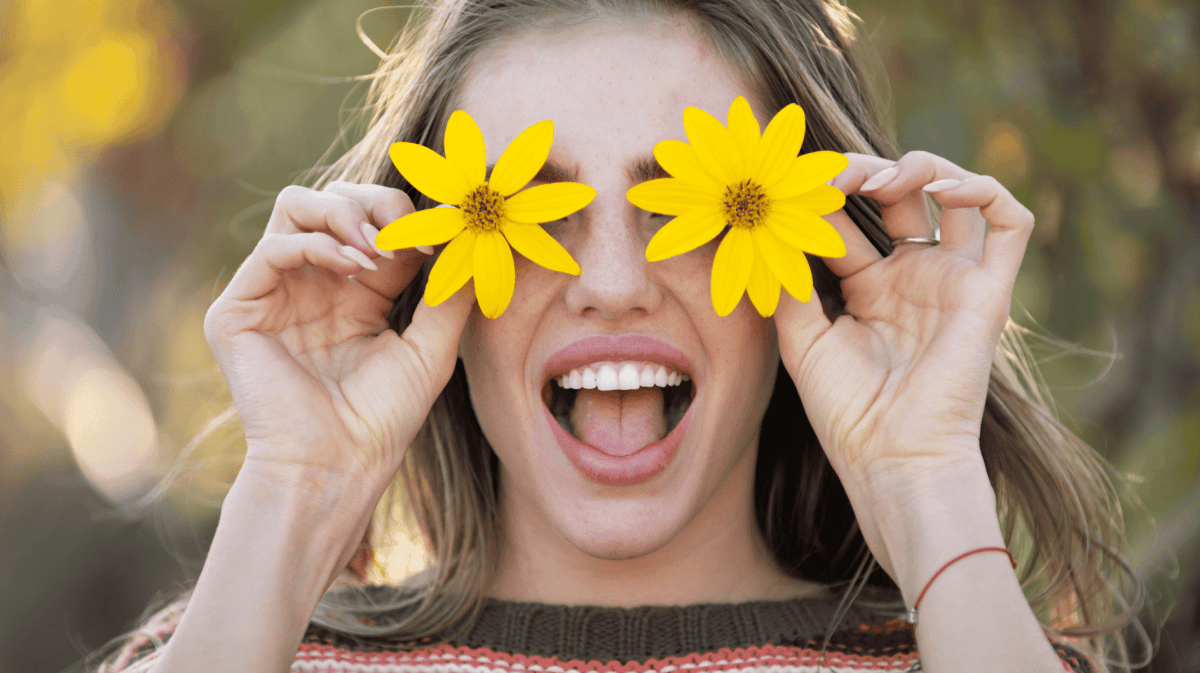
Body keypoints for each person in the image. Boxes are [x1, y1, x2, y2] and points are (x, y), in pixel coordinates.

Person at [96, 0, 1143, 671]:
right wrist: (290, 502)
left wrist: (926, 486)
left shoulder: (978, 649)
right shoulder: (234, 646)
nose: (609, 284)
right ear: (418, 264)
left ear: (815, 250)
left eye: (689, 206)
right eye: (529, 211)